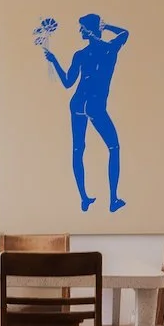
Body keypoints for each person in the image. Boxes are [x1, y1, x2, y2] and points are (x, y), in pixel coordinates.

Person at [43, 13, 129, 212]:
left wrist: (55, 61)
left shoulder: (81, 54)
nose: (79, 31)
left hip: (78, 103)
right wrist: (106, 27)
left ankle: (84, 198)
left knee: (78, 150)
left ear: (89, 30)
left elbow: (67, 82)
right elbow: (125, 33)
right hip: (94, 105)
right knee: (113, 148)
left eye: (82, 28)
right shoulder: (109, 50)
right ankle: (113, 199)